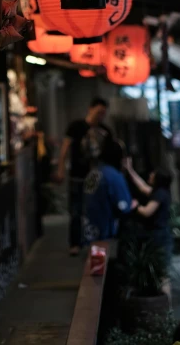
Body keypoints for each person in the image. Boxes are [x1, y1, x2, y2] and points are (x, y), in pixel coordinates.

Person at [56, 97, 111, 255]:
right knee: (76, 210)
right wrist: (61, 169)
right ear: (90, 109)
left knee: (92, 208)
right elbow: (65, 149)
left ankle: (93, 241)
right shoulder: (76, 126)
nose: (101, 116)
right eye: (99, 112)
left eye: (103, 113)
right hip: (77, 174)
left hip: (94, 175)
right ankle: (75, 243)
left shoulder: (105, 131)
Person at [83, 139, 133, 243]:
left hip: (88, 226)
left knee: (93, 255)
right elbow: (124, 206)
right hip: (105, 228)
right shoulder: (114, 176)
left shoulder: (93, 173)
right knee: (102, 256)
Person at [125, 159, 173, 263]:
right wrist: (130, 170)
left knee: (161, 266)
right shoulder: (160, 191)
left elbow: (147, 212)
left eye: (153, 174)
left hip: (159, 235)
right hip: (159, 234)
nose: (150, 175)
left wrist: (135, 205)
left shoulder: (160, 193)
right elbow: (142, 186)